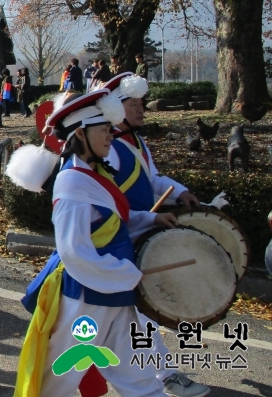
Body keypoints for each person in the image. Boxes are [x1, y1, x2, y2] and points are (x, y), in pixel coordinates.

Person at [9, 89, 170, 397]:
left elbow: (109, 223)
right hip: (85, 301)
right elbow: (75, 252)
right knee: (55, 385)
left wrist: (150, 220)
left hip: (113, 295)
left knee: (141, 382)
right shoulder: (71, 182)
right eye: (105, 129)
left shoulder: (93, 172)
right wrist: (130, 275)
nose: (112, 134)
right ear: (81, 134)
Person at [98, 73, 209, 397]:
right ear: (117, 109)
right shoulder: (110, 148)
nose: (141, 109)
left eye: (141, 103)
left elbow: (154, 179)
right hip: (123, 239)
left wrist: (181, 192)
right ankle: (162, 375)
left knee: (142, 315)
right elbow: (106, 208)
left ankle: (156, 375)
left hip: (144, 234)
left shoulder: (136, 142)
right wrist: (150, 217)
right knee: (141, 315)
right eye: (133, 104)